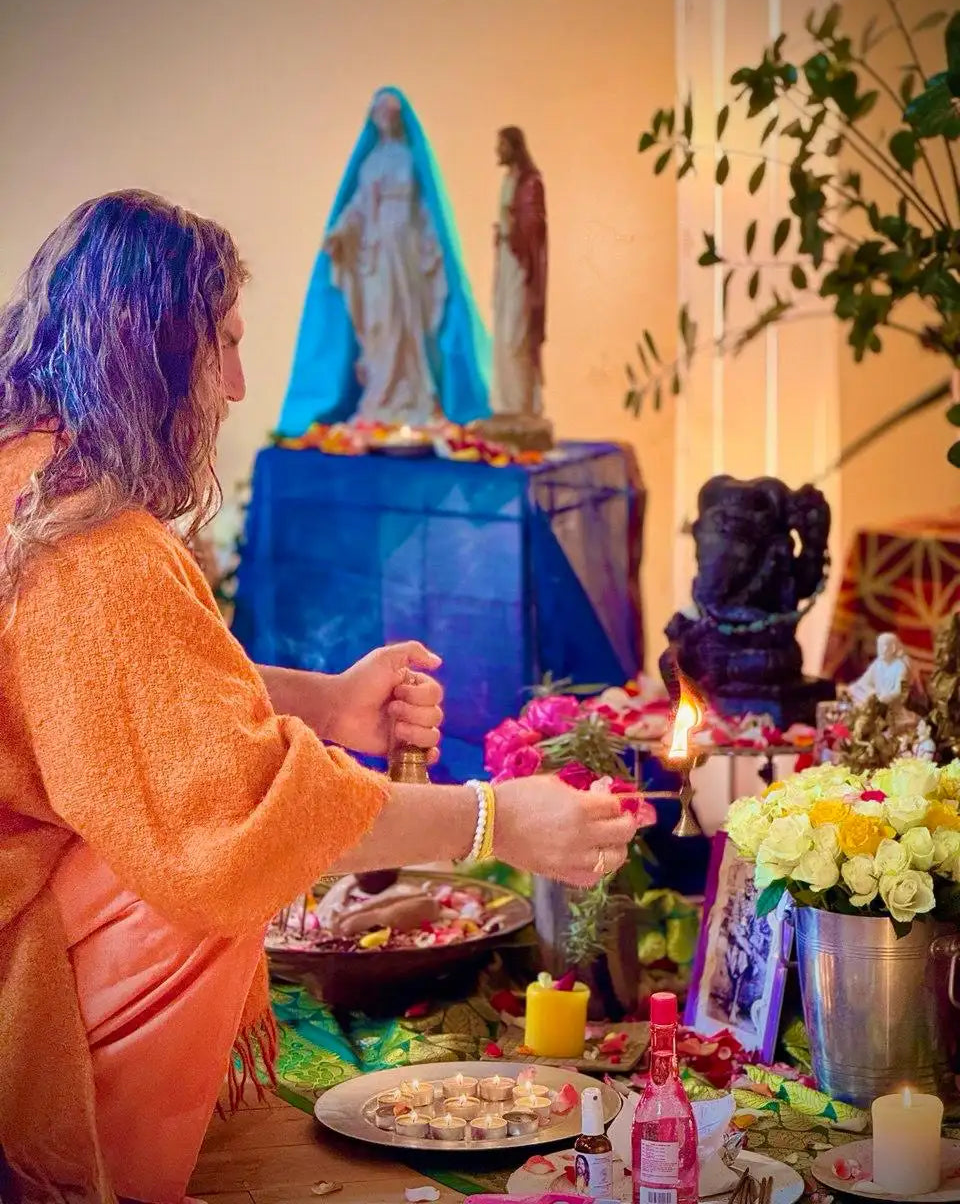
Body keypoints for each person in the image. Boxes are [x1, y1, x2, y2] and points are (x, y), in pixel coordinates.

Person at [0, 190, 640, 1204]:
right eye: (224, 345)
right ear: (155, 345)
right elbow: (237, 810)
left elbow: (124, 693)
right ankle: (90, 1179)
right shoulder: (91, 545)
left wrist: (329, 703)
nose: (242, 383)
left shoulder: (27, 476)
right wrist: (498, 817)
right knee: (214, 864)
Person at [278, 87, 491, 433]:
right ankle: (381, 394)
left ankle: (412, 392)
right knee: (379, 322)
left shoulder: (409, 159)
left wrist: (433, 247)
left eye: (391, 113)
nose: (386, 119)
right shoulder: (371, 162)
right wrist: (341, 233)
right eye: (381, 113)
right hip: (375, 253)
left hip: (405, 249)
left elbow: (426, 211)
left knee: (408, 321)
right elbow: (358, 209)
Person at [490, 126, 547, 417]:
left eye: (501, 145)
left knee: (517, 334)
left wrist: (512, 229)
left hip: (521, 268)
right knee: (502, 331)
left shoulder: (531, 183)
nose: (497, 151)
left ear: (514, 147)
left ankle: (522, 406)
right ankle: (505, 404)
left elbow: (533, 228)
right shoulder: (508, 180)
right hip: (506, 262)